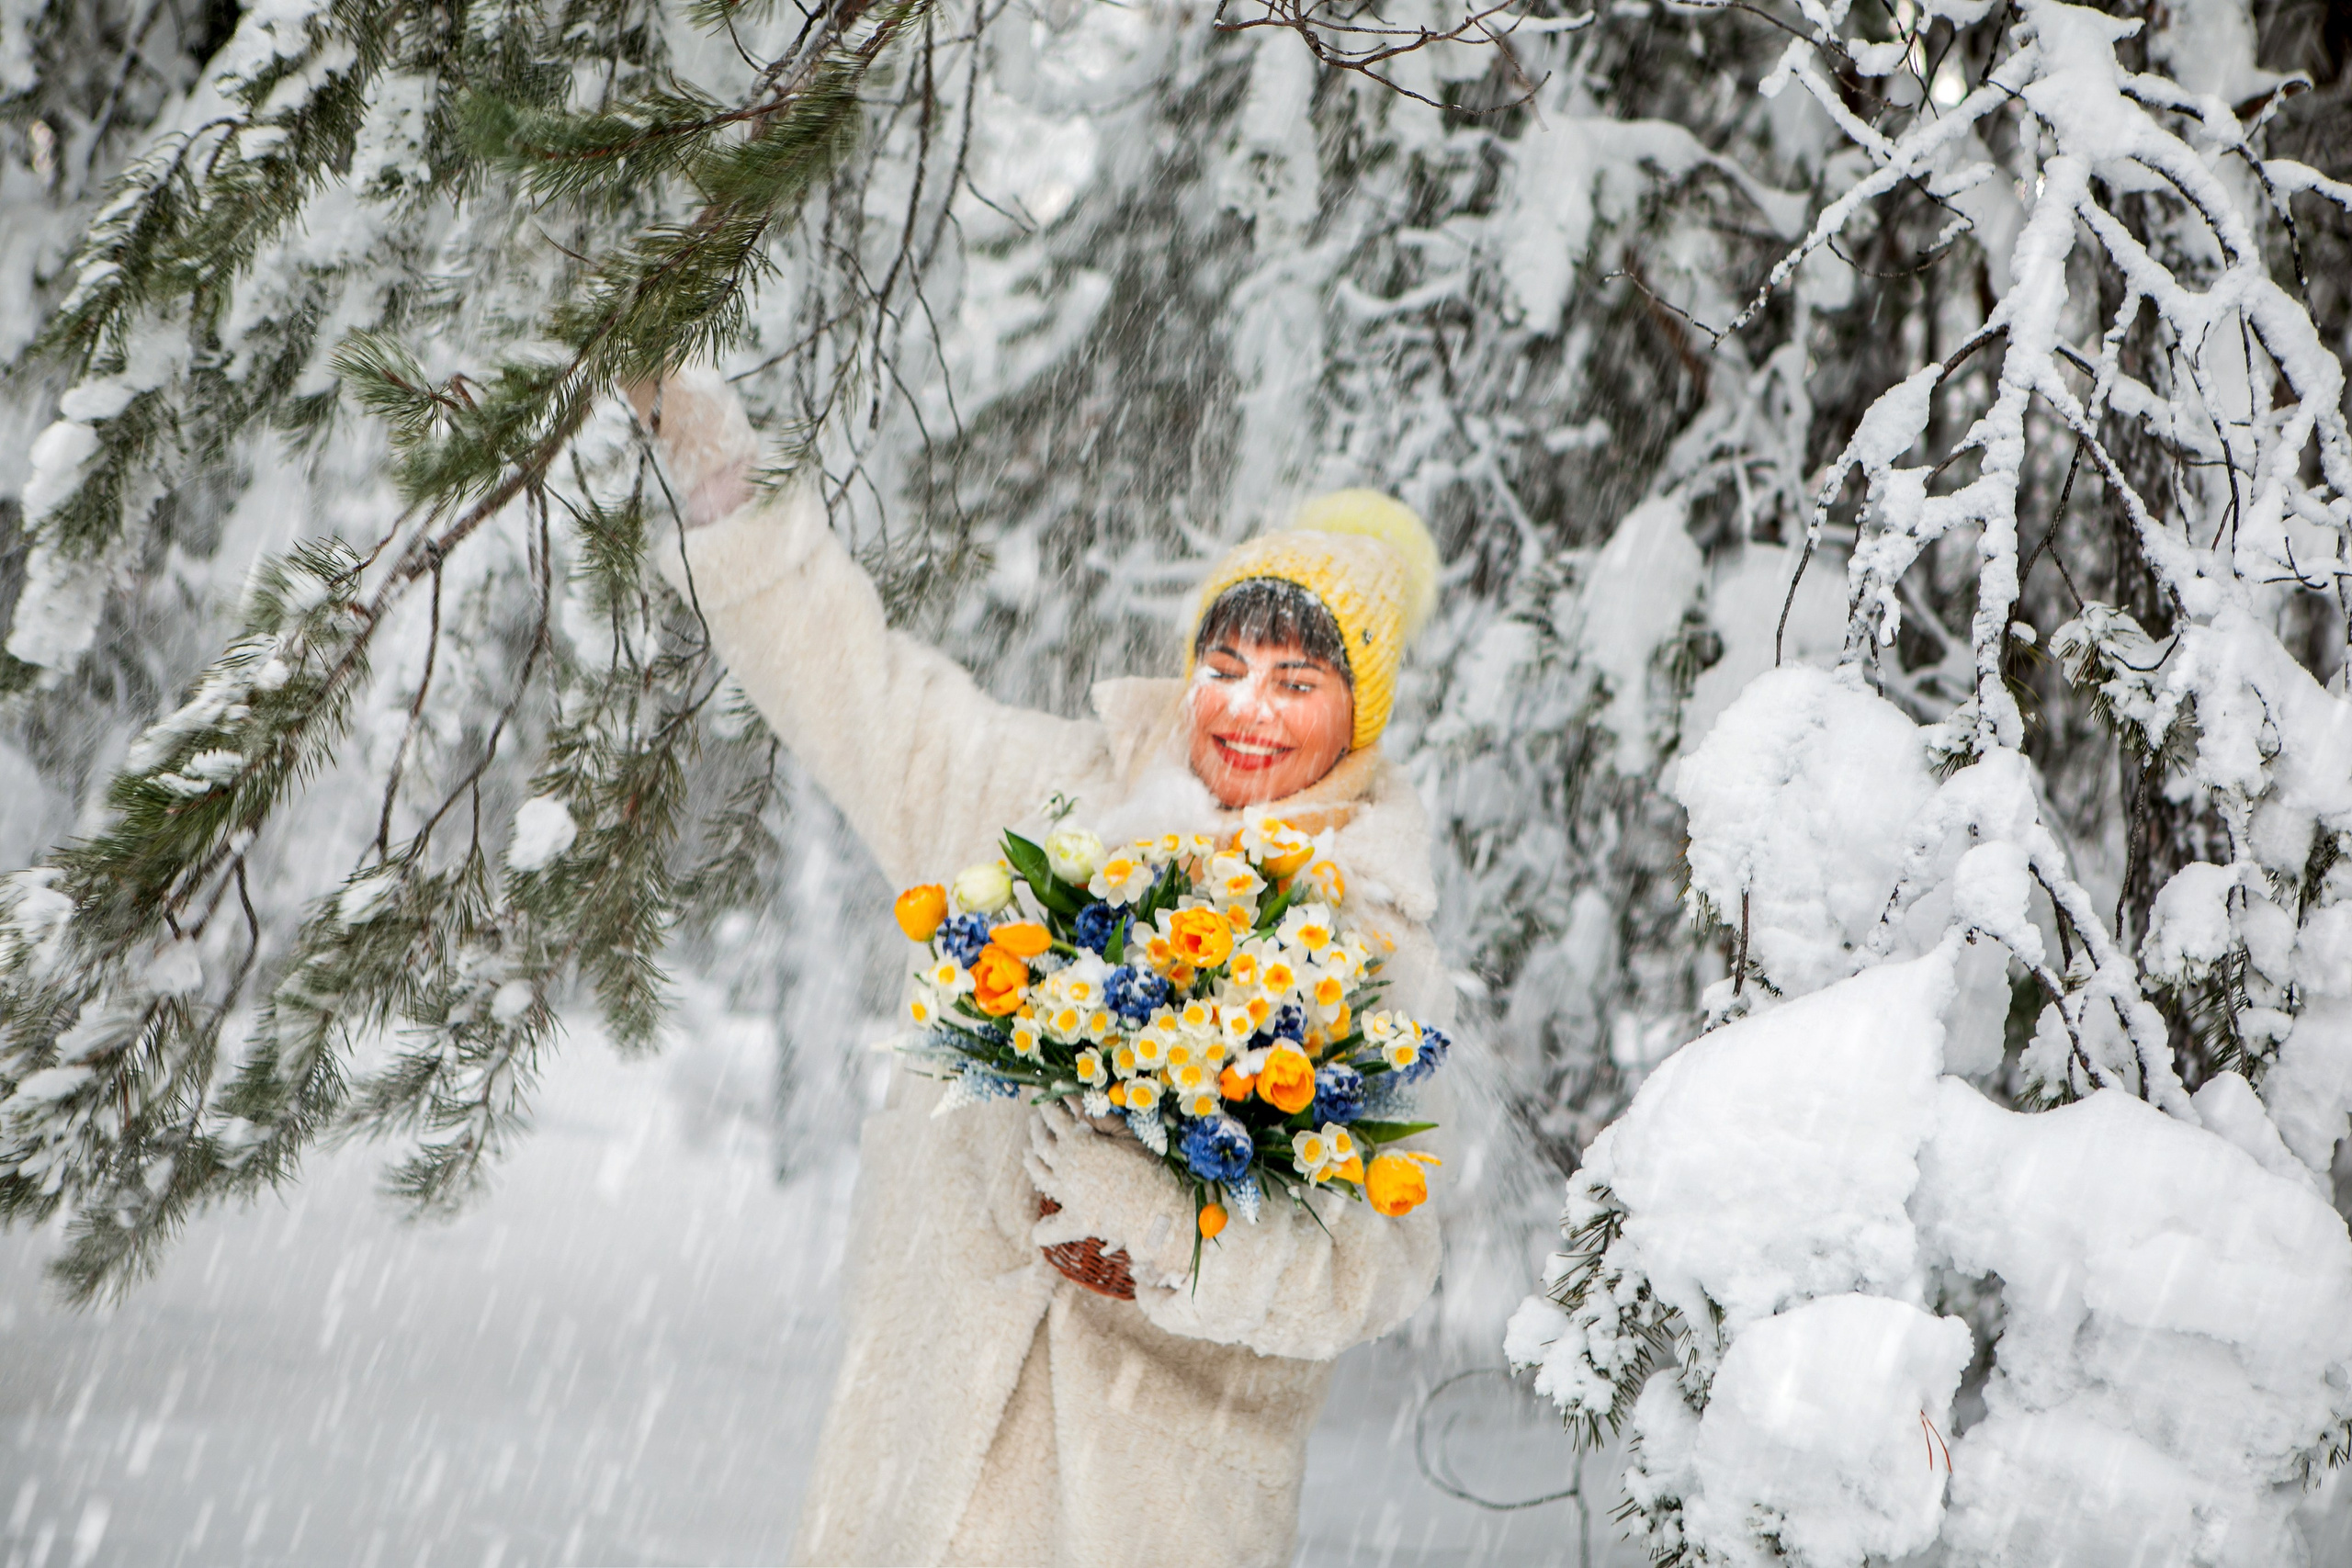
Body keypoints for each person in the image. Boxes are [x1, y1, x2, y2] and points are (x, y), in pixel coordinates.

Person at [628, 368, 1452, 1567]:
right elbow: (865, 697)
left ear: (1357, 714)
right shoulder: (1050, 808)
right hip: (924, 1473)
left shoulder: (1371, 937)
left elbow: (1374, 1271)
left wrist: (1175, 1235)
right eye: (1226, 665)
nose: (1250, 711)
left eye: (1298, 682)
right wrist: (725, 489)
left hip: (1149, 1512)